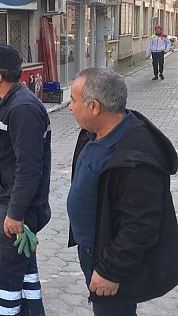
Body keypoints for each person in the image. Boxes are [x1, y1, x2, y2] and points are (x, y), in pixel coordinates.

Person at [67, 67, 178, 315]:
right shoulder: (92, 132)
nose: (70, 107)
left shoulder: (136, 157)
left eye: (73, 100)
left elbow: (141, 224)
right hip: (91, 248)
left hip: (111, 259)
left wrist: (110, 271)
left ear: (94, 107)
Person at [0, 44, 52, 316]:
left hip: (17, 210)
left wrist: (15, 214)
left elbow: (29, 169)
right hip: (9, 206)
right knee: (23, 266)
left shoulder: (22, 108)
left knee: (3, 269)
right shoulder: (8, 102)